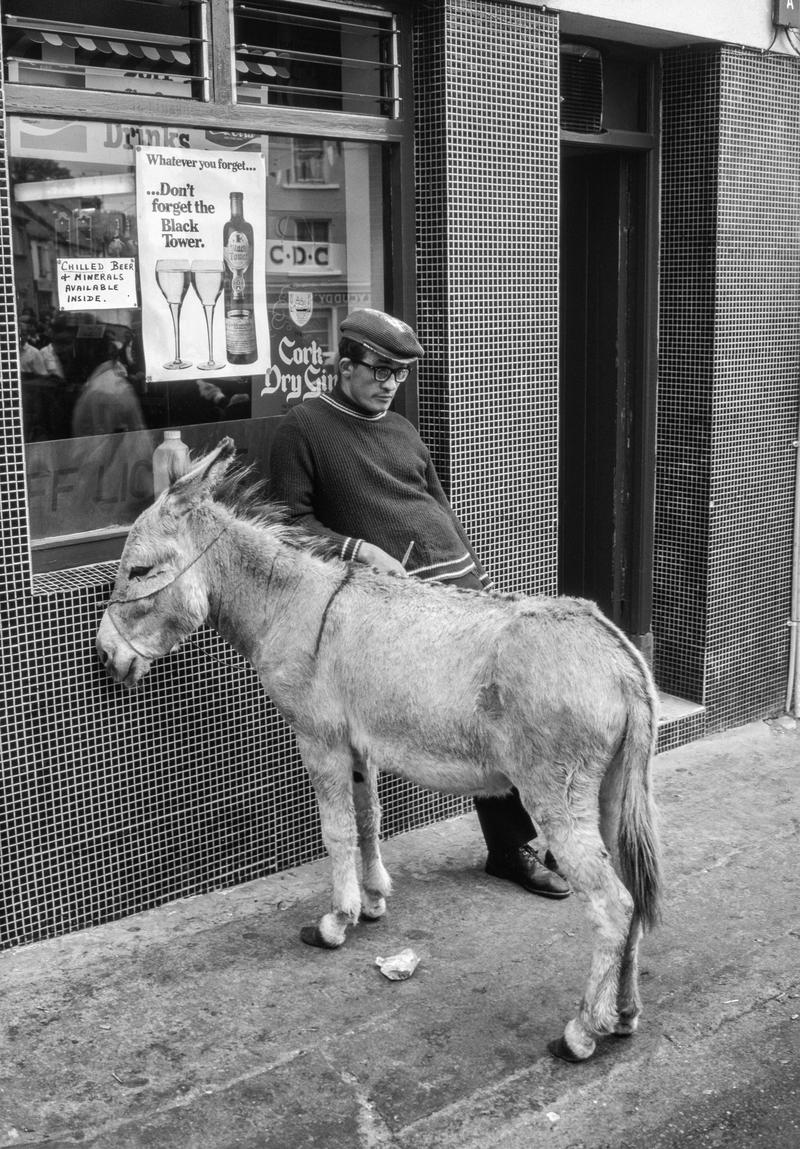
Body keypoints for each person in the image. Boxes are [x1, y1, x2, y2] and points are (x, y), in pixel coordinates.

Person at [269, 307, 570, 901]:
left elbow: (435, 501)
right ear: (344, 364)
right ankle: (510, 848)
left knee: (515, 704)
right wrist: (359, 549)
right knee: (485, 716)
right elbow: (287, 523)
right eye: (379, 369)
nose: (388, 383)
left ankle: (556, 831)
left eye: (398, 375)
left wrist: (474, 574)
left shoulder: (402, 429)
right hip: (397, 613)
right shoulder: (302, 428)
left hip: (459, 591)